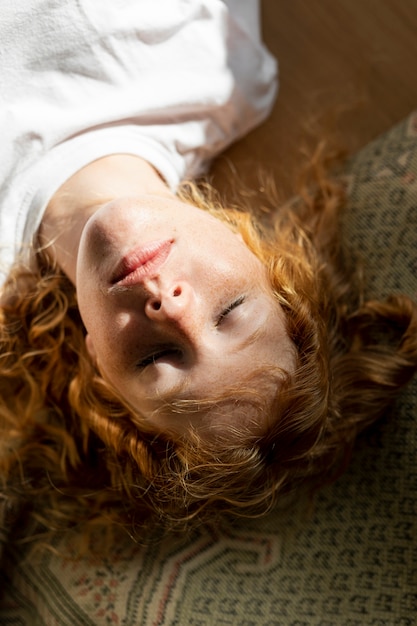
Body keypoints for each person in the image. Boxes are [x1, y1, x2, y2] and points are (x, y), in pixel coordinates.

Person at [1, 0, 416, 546]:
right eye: (230, 311)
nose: (173, 309)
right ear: (263, 258)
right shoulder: (223, 77)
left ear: (100, 369)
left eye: (155, 360)